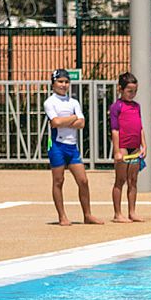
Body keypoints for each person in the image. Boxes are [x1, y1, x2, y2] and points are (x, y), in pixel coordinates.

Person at [44, 69, 103, 226]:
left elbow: (81, 123)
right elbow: (55, 123)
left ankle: (87, 214)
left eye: (66, 82)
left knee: (83, 180)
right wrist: (72, 118)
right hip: (57, 145)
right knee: (58, 180)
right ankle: (62, 216)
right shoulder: (50, 102)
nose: (63, 85)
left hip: (72, 146)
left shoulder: (73, 102)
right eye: (60, 81)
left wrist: (65, 120)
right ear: (53, 83)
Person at [109, 71, 147, 223]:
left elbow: (140, 127)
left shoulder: (136, 106)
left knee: (133, 181)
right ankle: (118, 213)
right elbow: (115, 129)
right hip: (123, 146)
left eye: (135, 91)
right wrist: (117, 150)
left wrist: (144, 145)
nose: (132, 94)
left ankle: (132, 211)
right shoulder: (116, 107)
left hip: (135, 146)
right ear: (121, 89)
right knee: (120, 180)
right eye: (129, 91)